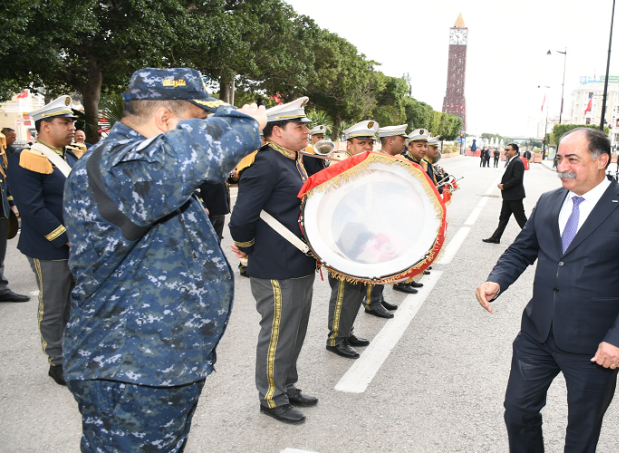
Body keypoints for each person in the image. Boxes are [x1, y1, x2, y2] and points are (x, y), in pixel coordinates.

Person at [62, 68, 264, 450]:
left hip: (156, 366)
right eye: (197, 120)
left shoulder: (137, 166)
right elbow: (215, 144)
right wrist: (245, 119)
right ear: (166, 120)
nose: (203, 127)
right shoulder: (120, 165)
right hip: (131, 370)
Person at [475, 128, 619, 453]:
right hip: (537, 334)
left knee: (582, 431)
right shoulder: (550, 201)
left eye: (572, 159)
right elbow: (522, 249)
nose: (563, 166)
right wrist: (498, 279)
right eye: (560, 158)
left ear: (601, 160)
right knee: (518, 412)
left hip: (595, 346)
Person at [229, 96, 320, 425]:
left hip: (299, 261)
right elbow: (241, 218)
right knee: (278, 332)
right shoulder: (265, 162)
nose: (307, 130)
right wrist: (247, 247)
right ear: (277, 131)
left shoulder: (292, 159)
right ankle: (271, 396)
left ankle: (287, 385)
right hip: (275, 265)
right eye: (300, 126)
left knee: (294, 331)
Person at [7, 95, 79, 386]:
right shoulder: (27, 157)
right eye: (65, 123)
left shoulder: (72, 155)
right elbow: (31, 208)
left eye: (73, 122)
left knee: (75, 304)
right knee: (54, 306)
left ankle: (75, 353)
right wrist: (65, 238)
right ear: (45, 126)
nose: (72, 127)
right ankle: (57, 361)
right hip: (49, 246)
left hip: (80, 243)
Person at [324, 120, 385, 360]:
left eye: (371, 142)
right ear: (349, 144)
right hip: (342, 237)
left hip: (361, 235)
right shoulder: (339, 167)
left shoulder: (367, 166)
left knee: (357, 287)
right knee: (344, 289)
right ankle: (336, 338)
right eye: (362, 142)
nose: (367, 146)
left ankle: (346, 331)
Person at [368, 124, 412, 308]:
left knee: (385, 260)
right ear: (391, 140)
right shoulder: (377, 162)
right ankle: (372, 301)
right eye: (402, 140)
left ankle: (378, 297)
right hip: (377, 220)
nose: (405, 144)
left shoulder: (392, 161)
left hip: (388, 219)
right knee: (377, 260)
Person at [396, 128, 433, 294]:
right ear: (409, 147)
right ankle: (401, 281)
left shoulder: (422, 163)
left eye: (425, 145)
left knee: (411, 247)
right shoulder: (402, 162)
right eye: (419, 145)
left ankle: (408, 278)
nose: (423, 149)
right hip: (403, 213)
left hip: (416, 212)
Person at [0, 130, 28, 304]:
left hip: (1, 209)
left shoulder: (1, 155)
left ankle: (1, 287)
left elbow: (5, 180)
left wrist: (11, 202)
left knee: (0, 251)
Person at [483, 143, 527, 244]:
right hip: (509, 195)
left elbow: (517, 178)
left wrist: (504, 186)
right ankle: (496, 237)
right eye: (505, 149)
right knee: (503, 217)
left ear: (514, 151)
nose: (505, 151)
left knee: (521, 219)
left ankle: (534, 238)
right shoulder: (513, 161)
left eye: (508, 150)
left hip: (514, 196)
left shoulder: (517, 162)